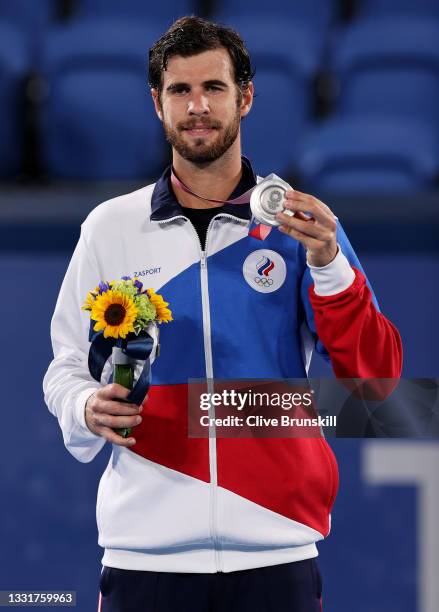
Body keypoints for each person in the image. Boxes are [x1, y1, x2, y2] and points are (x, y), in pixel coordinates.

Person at [43, 16, 403, 612]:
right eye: (180, 91)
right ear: (157, 104)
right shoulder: (112, 228)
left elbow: (377, 382)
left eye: (214, 88)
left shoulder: (302, 225)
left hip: (275, 552)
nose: (198, 106)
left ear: (247, 97)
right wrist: (85, 406)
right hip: (144, 557)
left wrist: (331, 264)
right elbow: (64, 368)